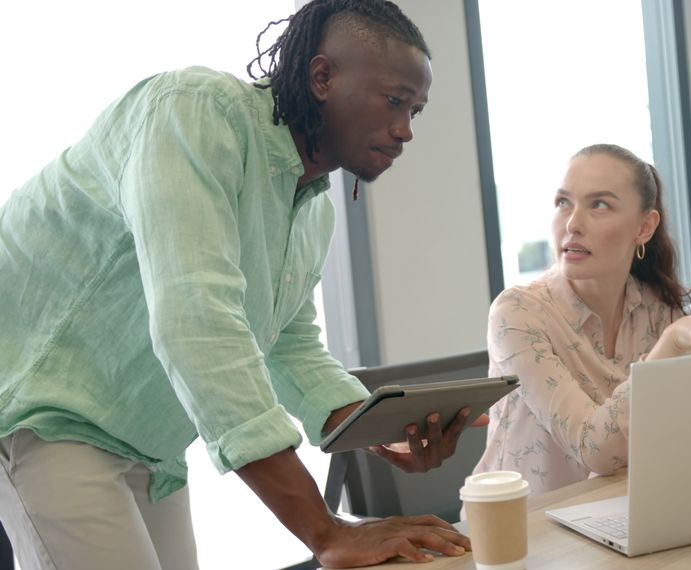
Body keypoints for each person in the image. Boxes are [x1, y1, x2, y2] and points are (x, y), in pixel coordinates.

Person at [0, 1, 478, 568]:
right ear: (322, 76)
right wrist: (326, 532)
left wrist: (379, 425)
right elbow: (197, 325)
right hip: (47, 417)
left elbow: (289, 346)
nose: (405, 130)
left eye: (416, 111)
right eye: (395, 101)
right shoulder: (194, 114)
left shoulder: (311, 209)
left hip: (148, 446)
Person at [470, 144, 691, 496]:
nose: (572, 223)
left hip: (624, 512)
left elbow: (686, 434)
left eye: (599, 204)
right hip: (523, 533)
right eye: (563, 202)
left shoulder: (658, 309)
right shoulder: (517, 313)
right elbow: (593, 450)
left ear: (644, 227)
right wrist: (670, 346)